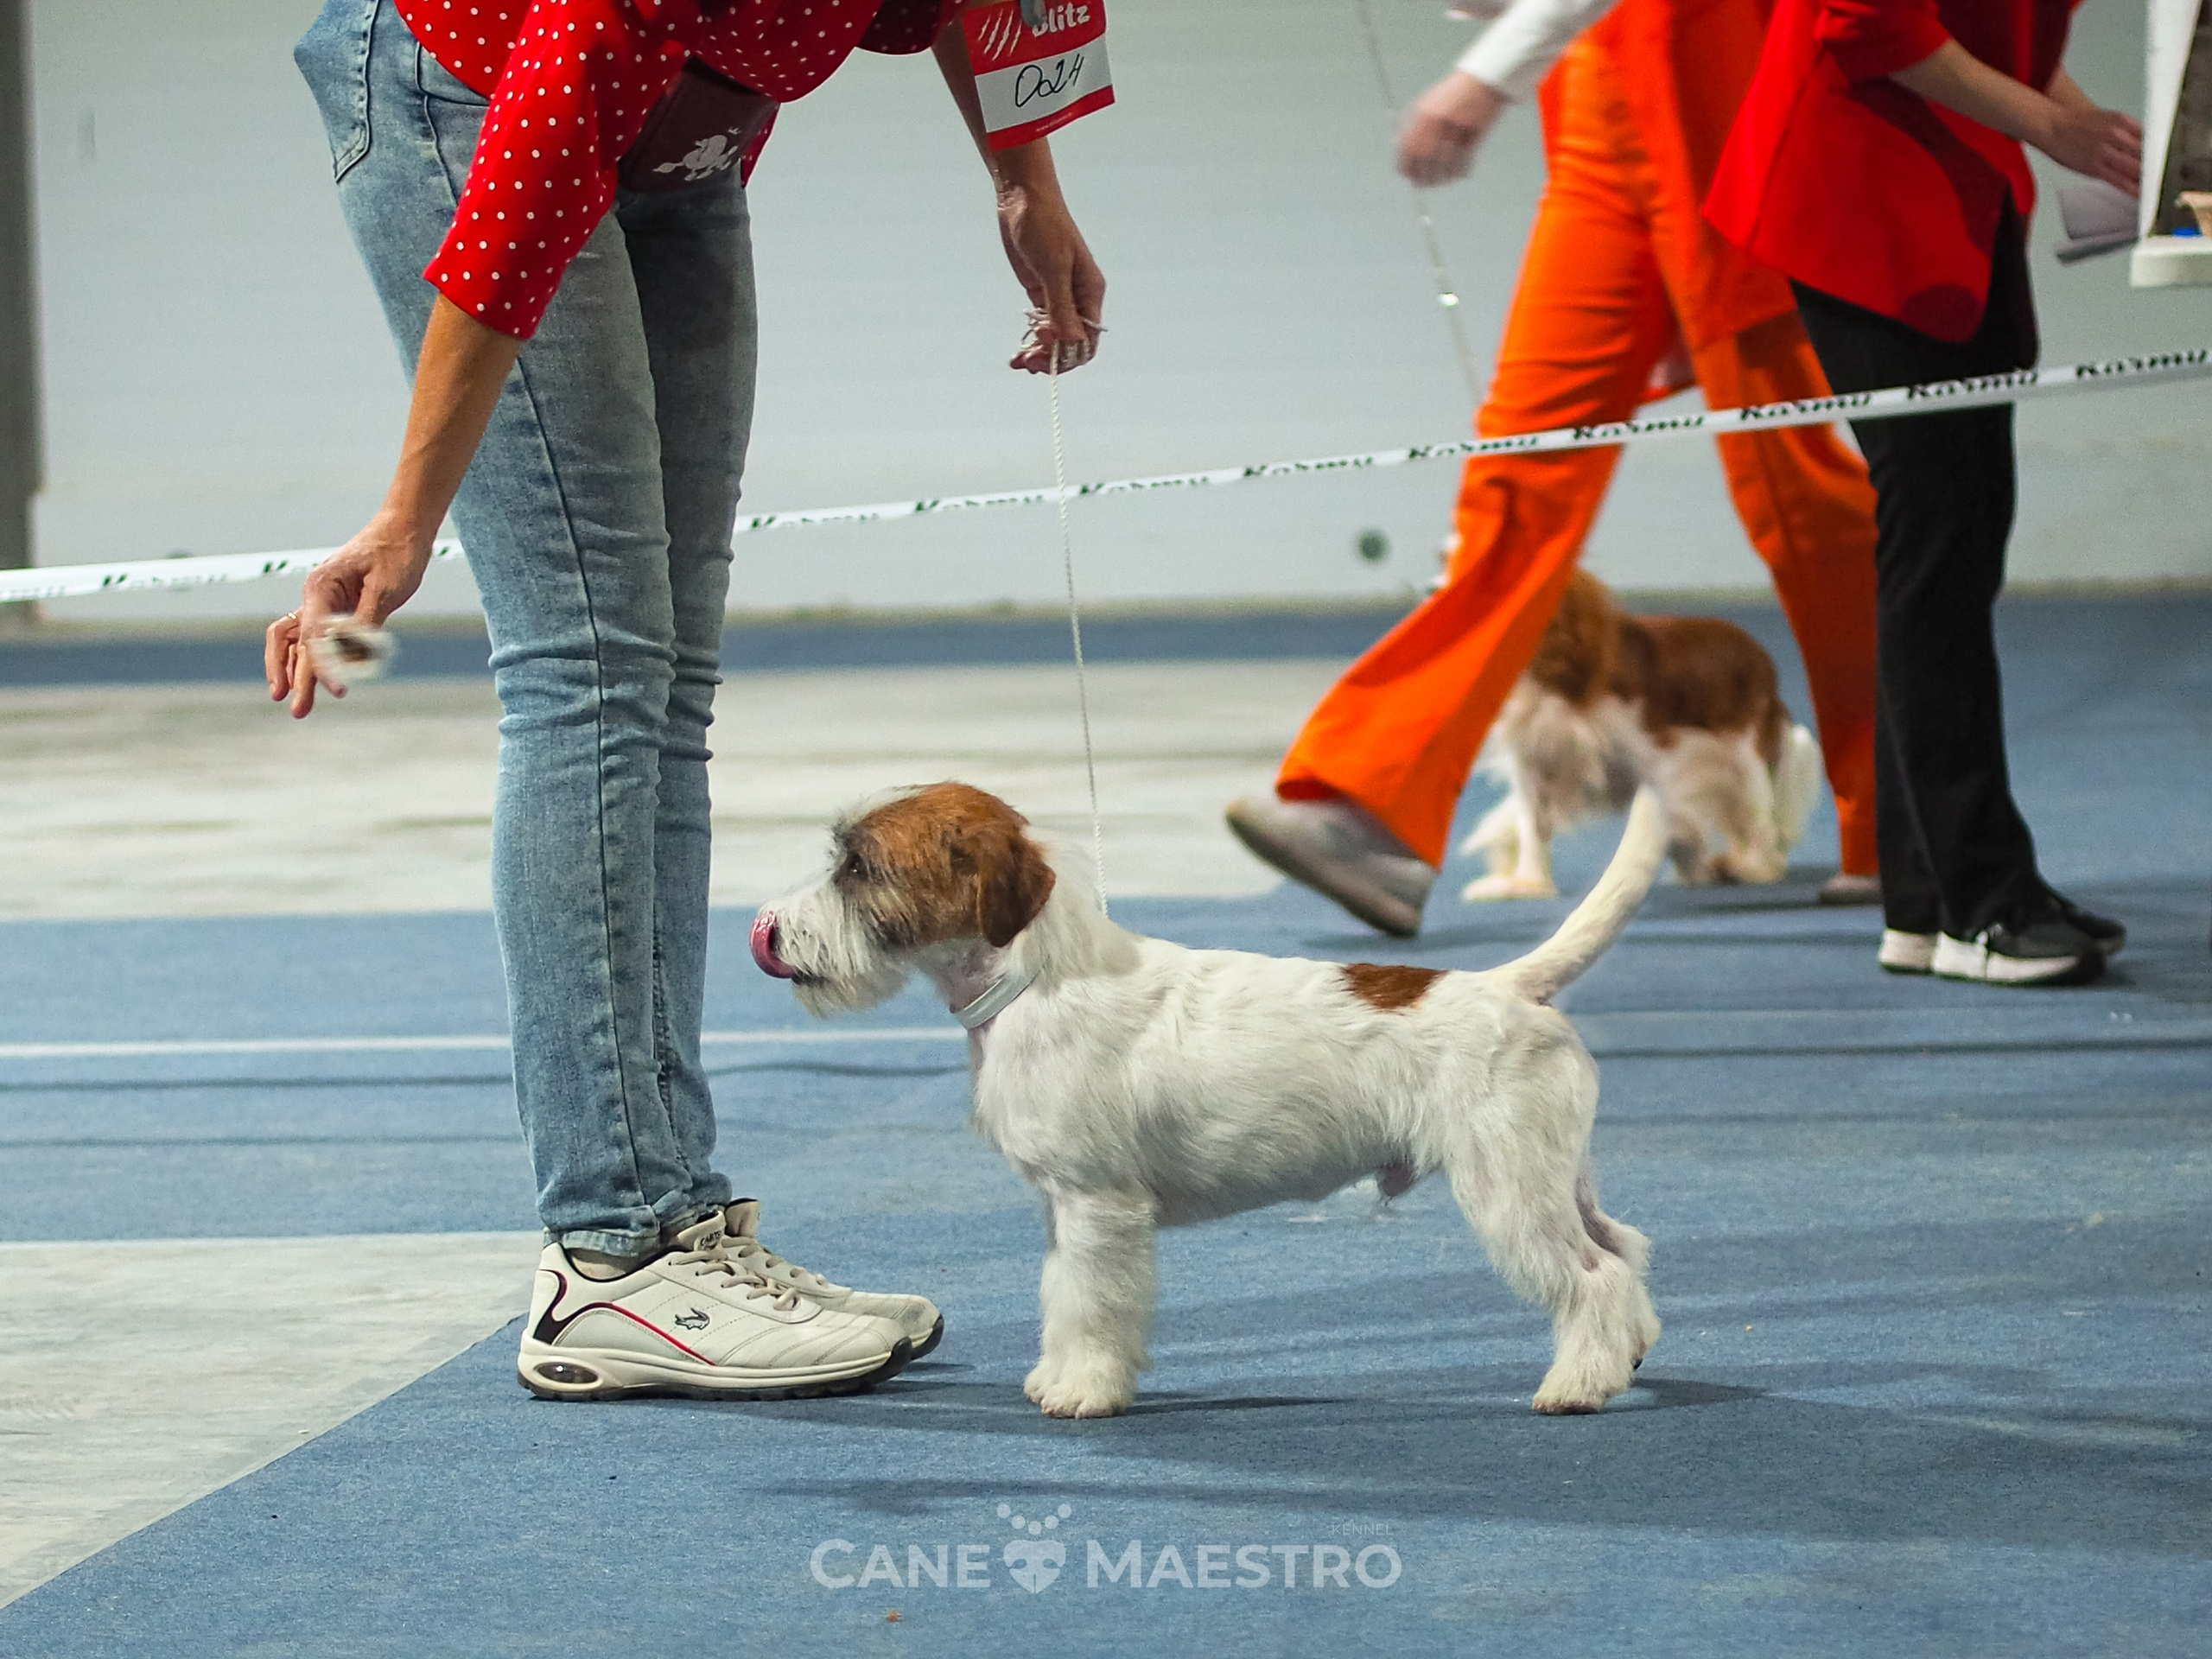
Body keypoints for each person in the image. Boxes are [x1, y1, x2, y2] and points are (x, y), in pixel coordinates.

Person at [275, 0, 1105, 1399]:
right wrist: (411, 517)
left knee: (664, 688)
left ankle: (670, 1215)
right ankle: (612, 1248)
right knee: (591, 674)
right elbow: (529, 175)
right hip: (480, 95)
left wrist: (1024, 172)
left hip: (687, 143)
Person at [1224, 0, 1886, 938]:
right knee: (1513, 477)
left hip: (1725, 81)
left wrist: (1485, 75)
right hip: (1598, 88)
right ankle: (1370, 806)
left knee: (1799, 496)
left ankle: (1896, 807)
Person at [1706, 0, 2133, 985]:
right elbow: (1864, 22)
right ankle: (1980, 902)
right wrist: (2052, 125)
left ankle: (1930, 896)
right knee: (1938, 542)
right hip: (1863, 199)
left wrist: (2088, 129)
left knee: (1960, 536)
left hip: (1951, 186)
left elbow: (1992, 31)